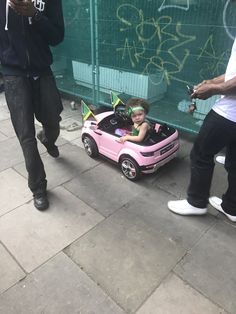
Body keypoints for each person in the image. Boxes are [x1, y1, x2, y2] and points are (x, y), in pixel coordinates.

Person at [0, 0, 64, 210]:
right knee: (26, 135)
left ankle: (47, 137)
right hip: (13, 74)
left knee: (53, 120)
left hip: (42, 69)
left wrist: (35, 15)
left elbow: (57, 36)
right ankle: (38, 187)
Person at [167, 36, 236, 223]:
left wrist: (214, 90)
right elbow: (233, 73)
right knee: (234, 161)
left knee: (200, 154)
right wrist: (212, 82)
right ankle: (232, 207)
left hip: (228, 113)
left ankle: (196, 203)